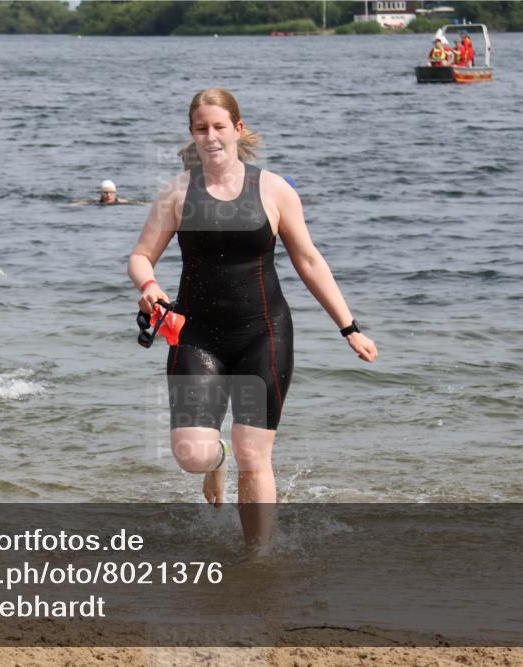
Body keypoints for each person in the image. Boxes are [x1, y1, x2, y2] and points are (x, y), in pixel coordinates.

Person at [127, 88, 377, 547]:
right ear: (192, 134)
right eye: (201, 128)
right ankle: (216, 460)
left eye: (219, 127)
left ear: (238, 130)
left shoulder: (274, 189)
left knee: (254, 454)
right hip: (196, 336)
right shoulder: (178, 193)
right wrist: (149, 287)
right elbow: (141, 256)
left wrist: (349, 327)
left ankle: (257, 560)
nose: (211, 136)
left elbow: (309, 261)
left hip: (263, 334)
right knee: (192, 455)